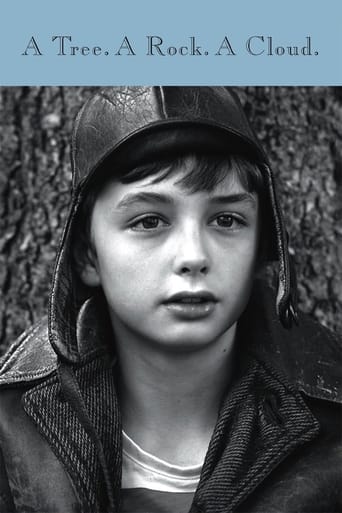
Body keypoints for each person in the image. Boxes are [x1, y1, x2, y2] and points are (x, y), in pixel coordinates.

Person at [0, 87, 340, 513]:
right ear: (88, 253)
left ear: (260, 245)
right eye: (149, 221)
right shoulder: (14, 423)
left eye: (226, 219)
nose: (194, 256)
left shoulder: (332, 422)